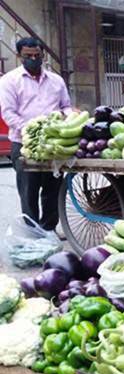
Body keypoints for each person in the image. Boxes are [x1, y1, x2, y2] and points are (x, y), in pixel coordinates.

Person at [0, 37, 73, 233]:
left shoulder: (56, 81)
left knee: (52, 190)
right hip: (25, 144)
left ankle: (48, 229)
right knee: (28, 192)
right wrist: (33, 131)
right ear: (19, 56)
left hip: (53, 146)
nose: (33, 59)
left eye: (37, 55)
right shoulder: (9, 81)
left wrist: (70, 117)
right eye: (28, 56)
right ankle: (33, 232)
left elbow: (65, 106)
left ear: (42, 55)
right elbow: (8, 113)